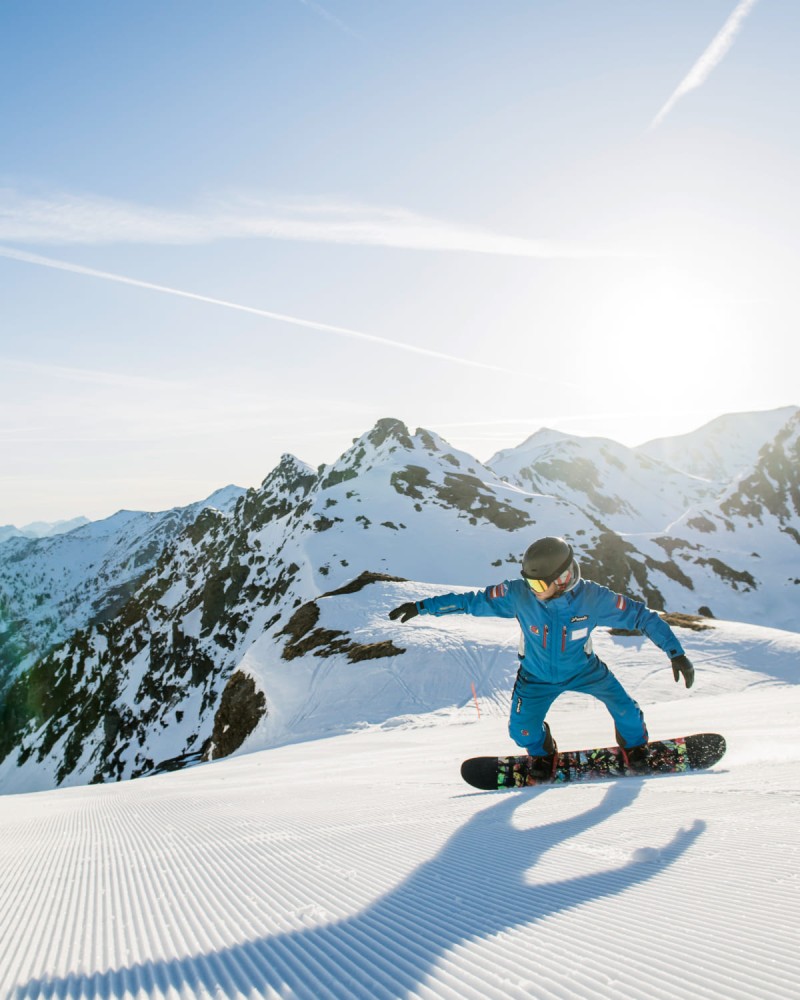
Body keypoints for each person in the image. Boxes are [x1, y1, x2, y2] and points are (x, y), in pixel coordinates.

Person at [389, 536, 694, 775]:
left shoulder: (594, 598)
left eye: (537, 583)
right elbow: (471, 601)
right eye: (529, 581)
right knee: (521, 731)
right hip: (535, 677)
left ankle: (635, 749)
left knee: (626, 711)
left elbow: (642, 617)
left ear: (562, 579)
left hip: (585, 671)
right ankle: (543, 753)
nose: (531, 589)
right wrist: (422, 607)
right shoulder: (518, 594)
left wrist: (675, 653)